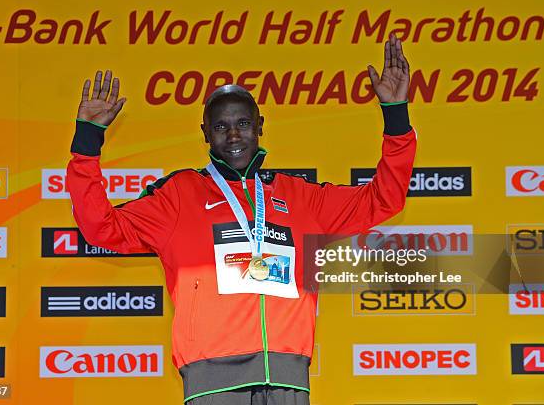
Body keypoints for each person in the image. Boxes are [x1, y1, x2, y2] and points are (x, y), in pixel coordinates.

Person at [67, 32, 416, 404]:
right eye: (220, 127)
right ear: (205, 134)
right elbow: (100, 227)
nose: (233, 134)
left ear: (260, 125)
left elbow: (384, 198)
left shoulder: (299, 196)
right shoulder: (179, 195)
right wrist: (89, 140)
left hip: (287, 377)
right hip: (212, 378)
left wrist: (395, 117)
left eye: (243, 123)